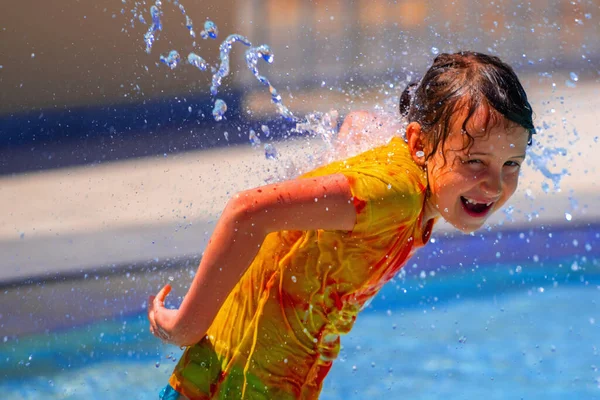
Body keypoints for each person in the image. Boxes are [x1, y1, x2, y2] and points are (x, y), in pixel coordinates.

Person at [148, 51, 535, 400]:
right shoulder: (394, 196)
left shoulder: (404, 167)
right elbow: (248, 210)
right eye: (474, 162)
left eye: (511, 164)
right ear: (418, 144)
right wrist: (185, 327)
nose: (494, 185)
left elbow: (360, 124)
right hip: (232, 387)